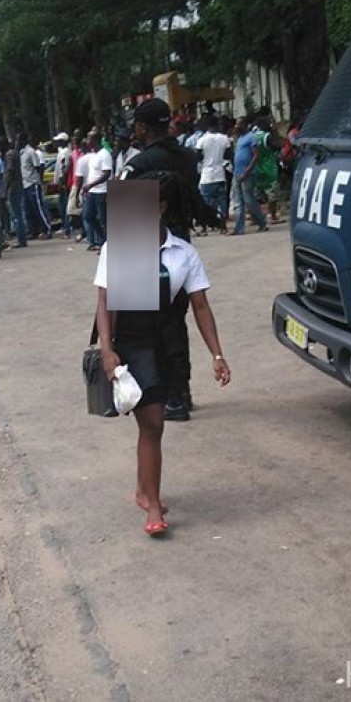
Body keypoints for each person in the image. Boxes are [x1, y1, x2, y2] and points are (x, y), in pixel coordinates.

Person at [93, 171, 231, 537]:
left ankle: (143, 488)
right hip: (132, 344)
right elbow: (106, 303)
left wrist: (217, 354)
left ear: (160, 207)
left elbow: (200, 306)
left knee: (154, 425)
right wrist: (107, 351)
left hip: (168, 342)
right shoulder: (122, 246)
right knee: (152, 423)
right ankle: (153, 504)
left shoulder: (183, 253)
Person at [119, 97, 223, 422]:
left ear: (142, 126)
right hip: (180, 246)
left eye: (135, 123)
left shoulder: (139, 164)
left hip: (143, 246)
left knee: (144, 328)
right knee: (176, 322)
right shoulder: (188, 157)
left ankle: (161, 393)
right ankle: (181, 393)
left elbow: (124, 215)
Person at [195, 115, 231, 235]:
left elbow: (198, 156)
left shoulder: (202, 139)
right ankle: (223, 226)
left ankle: (205, 227)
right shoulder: (224, 138)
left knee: (206, 203)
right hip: (220, 173)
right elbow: (228, 154)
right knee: (222, 201)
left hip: (207, 174)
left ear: (206, 125)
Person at [81, 129, 113, 251]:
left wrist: (90, 185)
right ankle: (103, 239)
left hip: (102, 191)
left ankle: (107, 244)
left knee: (104, 220)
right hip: (92, 192)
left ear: (95, 140)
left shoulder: (105, 154)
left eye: (89, 138)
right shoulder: (94, 155)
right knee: (88, 216)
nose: (87, 141)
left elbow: (106, 174)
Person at [253, 115, 284, 225]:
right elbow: (278, 146)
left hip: (256, 168)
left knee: (258, 194)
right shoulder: (267, 136)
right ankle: (273, 216)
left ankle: (256, 217)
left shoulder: (253, 136)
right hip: (269, 168)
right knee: (272, 194)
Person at [20, 134, 51, 240]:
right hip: (24, 184)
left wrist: (39, 181)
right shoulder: (21, 153)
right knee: (28, 209)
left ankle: (47, 229)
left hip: (33, 183)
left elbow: (38, 167)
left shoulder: (30, 152)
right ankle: (33, 231)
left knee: (39, 208)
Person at [1, 137, 27, 248]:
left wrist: (4, 189)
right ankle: (22, 238)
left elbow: (10, 171)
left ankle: (21, 240)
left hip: (13, 188)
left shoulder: (9, 155)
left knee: (16, 215)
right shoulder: (15, 153)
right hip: (18, 186)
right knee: (18, 214)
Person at [53, 132, 73, 238]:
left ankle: (67, 229)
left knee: (64, 207)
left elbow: (65, 168)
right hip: (61, 182)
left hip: (64, 183)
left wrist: (62, 183)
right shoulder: (62, 152)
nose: (57, 142)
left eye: (59, 141)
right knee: (62, 207)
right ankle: (66, 228)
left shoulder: (65, 152)